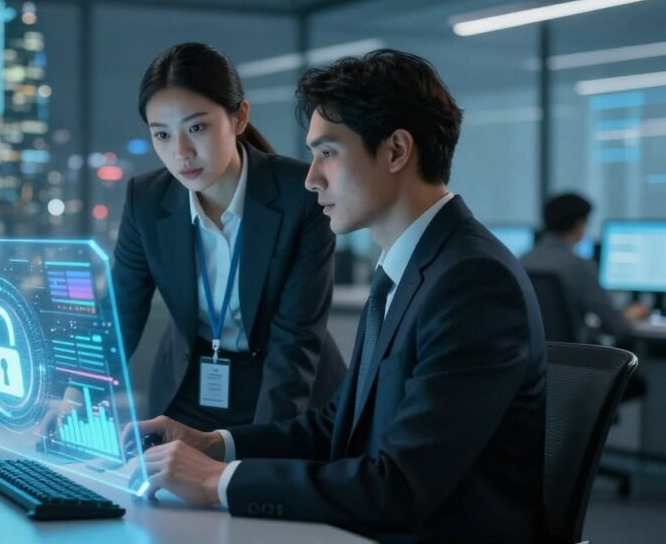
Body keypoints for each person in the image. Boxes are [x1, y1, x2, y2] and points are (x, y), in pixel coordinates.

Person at [126, 49, 548, 543]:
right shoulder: (410, 266)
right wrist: (216, 445)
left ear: (395, 151)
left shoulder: (472, 282)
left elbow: (397, 487)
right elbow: (335, 426)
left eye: (327, 153)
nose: (311, 178)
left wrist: (216, 481)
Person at [111, 42, 346, 433]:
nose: (181, 152)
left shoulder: (300, 195)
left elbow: (295, 341)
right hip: (188, 390)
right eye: (162, 135)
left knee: (252, 491)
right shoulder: (146, 201)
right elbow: (122, 312)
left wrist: (260, 454)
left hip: (289, 393)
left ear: (239, 118)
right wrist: (72, 396)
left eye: (197, 128)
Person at [522, 192, 650, 342]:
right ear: (579, 225)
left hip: (531, 357)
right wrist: (632, 313)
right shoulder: (578, 266)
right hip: (573, 358)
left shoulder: (519, 262)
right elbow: (615, 325)